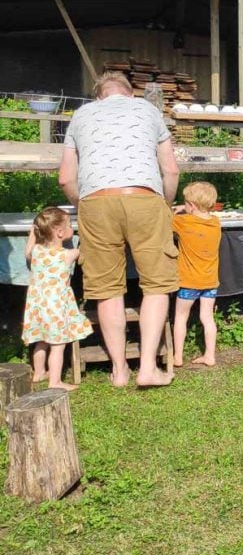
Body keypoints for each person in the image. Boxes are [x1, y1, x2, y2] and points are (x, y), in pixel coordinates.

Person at [58, 71, 180, 388]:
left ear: (99, 95)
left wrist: (83, 203)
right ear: (129, 92)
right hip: (144, 197)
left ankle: (120, 370)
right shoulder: (148, 110)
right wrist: (165, 204)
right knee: (156, 284)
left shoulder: (81, 115)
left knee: (106, 289)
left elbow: (66, 179)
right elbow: (170, 169)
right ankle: (149, 367)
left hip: (96, 203)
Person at [22, 206, 93, 391]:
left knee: (41, 340)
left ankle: (39, 373)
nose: (73, 227)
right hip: (55, 307)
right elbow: (87, 247)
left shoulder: (36, 251)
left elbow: (27, 250)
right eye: (70, 225)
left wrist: (33, 231)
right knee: (58, 345)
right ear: (60, 232)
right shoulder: (67, 255)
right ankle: (55, 382)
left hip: (37, 306)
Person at [171, 181, 222, 367]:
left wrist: (176, 211)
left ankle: (177, 356)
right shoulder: (216, 223)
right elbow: (204, 217)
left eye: (185, 202)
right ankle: (210, 356)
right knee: (207, 318)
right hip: (210, 282)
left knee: (180, 317)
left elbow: (165, 220)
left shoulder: (182, 222)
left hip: (188, 282)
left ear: (191, 206)